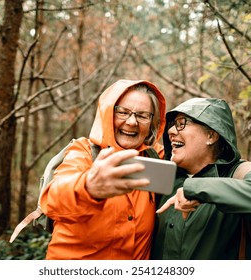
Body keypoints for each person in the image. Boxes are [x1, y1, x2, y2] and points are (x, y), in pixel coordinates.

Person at [151, 97, 251, 260]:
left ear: (211, 135)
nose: (171, 131)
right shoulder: (164, 176)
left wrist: (198, 188)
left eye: (181, 123)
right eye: (172, 124)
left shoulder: (239, 175)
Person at [39, 79, 167, 259]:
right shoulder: (83, 152)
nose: (132, 122)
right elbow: (54, 199)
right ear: (107, 114)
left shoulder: (156, 158)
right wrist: (88, 187)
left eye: (143, 115)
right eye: (122, 112)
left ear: (152, 123)